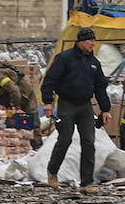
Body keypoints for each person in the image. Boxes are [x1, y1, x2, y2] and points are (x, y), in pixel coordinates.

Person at [40, 27, 111, 193]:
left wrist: (105, 109)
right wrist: (48, 102)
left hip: (85, 105)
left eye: (94, 40)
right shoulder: (64, 59)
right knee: (65, 139)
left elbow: (100, 87)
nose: (92, 43)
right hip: (67, 103)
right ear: (80, 41)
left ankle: (86, 183)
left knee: (89, 142)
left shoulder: (94, 63)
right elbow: (50, 80)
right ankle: (52, 171)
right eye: (89, 40)